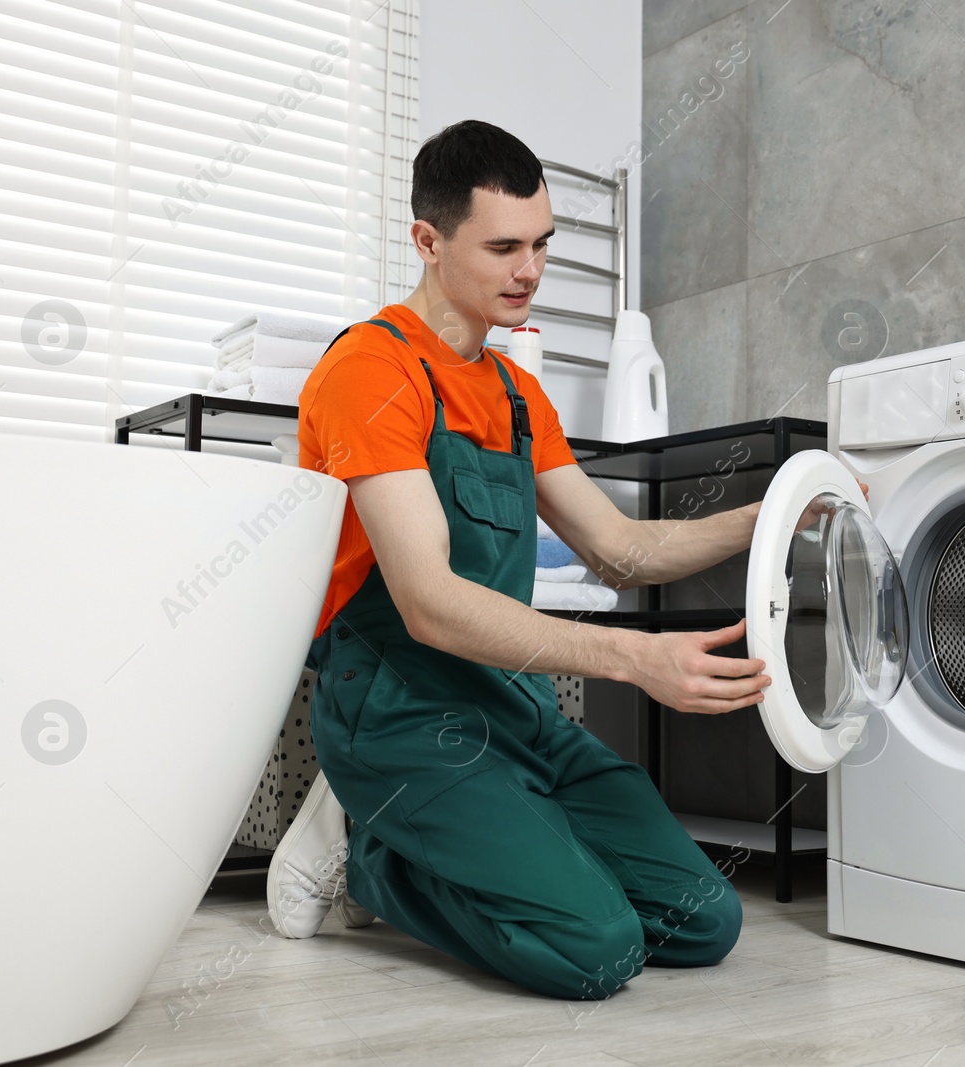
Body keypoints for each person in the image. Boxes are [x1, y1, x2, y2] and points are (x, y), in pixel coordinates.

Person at [266, 119, 772, 1002]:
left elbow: (622, 550)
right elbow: (425, 603)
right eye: (502, 247)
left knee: (703, 920)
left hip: (511, 704)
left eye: (541, 243)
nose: (529, 271)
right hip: (401, 709)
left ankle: (497, 842)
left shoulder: (515, 388)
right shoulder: (370, 371)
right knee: (599, 949)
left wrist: (776, 517)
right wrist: (631, 657)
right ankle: (371, 858)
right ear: (427, 240)